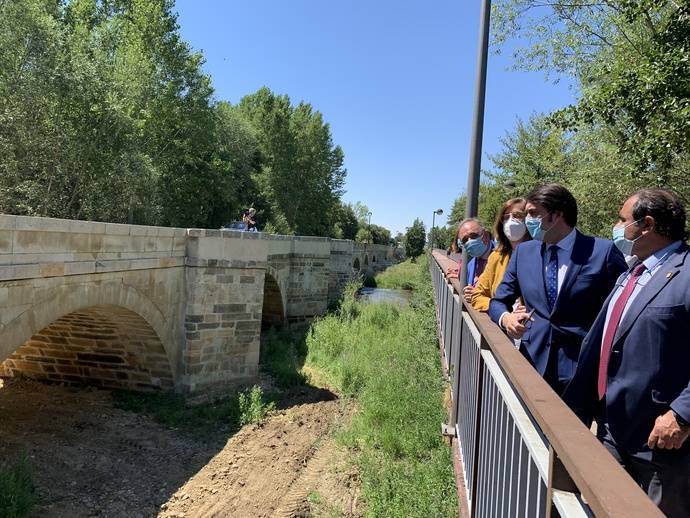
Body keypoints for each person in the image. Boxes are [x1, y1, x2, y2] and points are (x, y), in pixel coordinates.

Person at [563, 189, 690, 517]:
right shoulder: (631, 272)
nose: (616, 226)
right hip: (610, 426)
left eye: (622, 220)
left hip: (660, 441)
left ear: (646, 225)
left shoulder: (687, 273)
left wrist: (682, 414)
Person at [488, 184, 626, 393]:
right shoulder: (524, 253)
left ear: (557, 215)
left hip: (581, 370)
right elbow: (498, 302)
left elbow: (621, 311)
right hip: (531, 362)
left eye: (533, 213)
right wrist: (506, 319)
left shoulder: (603, 251)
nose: (527, 220)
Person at [467, 198, 530, 311]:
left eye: (517, 215)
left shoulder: (542, 255)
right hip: (503, 324)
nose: (511, 221)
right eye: (506, 217)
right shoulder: (497, 257)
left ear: (528, 219)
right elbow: (477, 295)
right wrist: (501, 310)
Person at [447, 218, 494, 295]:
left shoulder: (504, 257)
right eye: (465, 240)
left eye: (473, 236)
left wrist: (480, 295)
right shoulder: (469, 266)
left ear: (485, 235)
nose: (470, 241)